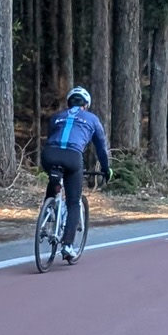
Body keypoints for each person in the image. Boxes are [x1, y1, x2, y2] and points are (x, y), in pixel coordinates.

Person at [42, 85, 111, 263]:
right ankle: (67, 245)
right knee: (73, 201)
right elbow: (101, 148)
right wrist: (105, 168)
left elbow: (52, 137)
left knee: (54, 179)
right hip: (72, 157)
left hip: (49, 155)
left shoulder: (57, 116)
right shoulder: (92, 119)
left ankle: (48, 212)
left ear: (69, 103)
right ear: (86, 105)